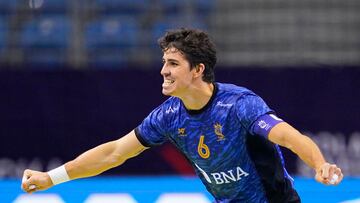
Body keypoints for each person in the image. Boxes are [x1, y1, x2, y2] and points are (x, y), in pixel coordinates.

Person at [21, 28, 343, 202]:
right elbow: (115, 152)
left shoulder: (239, 104)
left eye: (173, 64)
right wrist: (52, 177)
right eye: (164, 63)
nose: (163, 71)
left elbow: (289, 137)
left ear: (198, 70)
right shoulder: (168, 116)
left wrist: (319, 164)